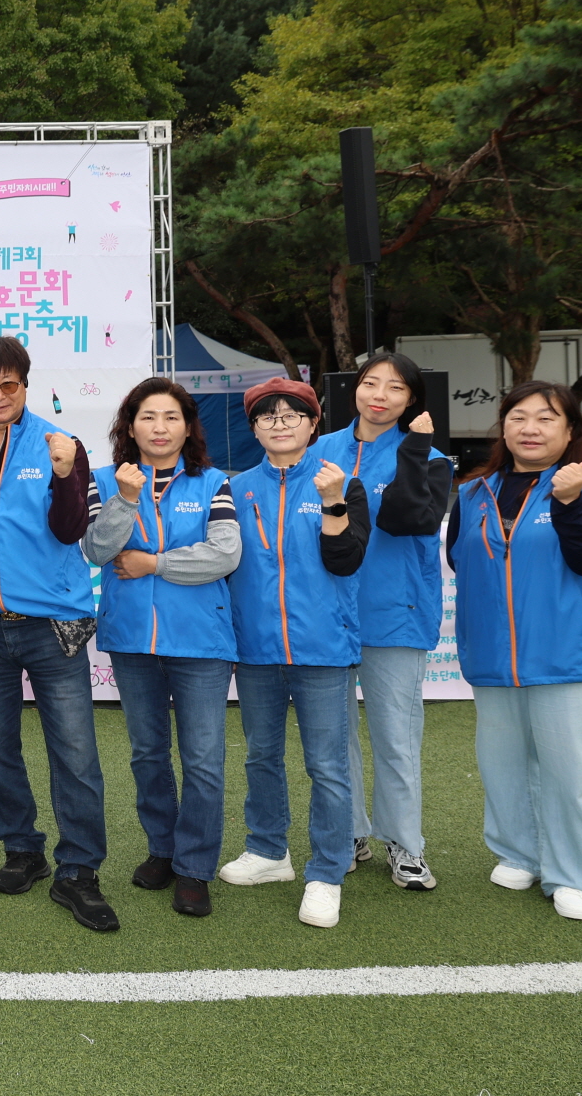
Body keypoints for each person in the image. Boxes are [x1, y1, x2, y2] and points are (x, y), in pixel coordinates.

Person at [0, 335, 115, 933]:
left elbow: (72, 532)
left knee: (75, 749)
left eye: (8, 385)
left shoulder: (60, 443)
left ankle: (79, 869)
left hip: (53, 621)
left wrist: (67, 472)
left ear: (25, 385)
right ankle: (23, 849)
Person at [448, 382, 582, 921]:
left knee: (573, 771)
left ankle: (574, 875)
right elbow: (466, 561)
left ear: (571, 430)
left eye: (546, 419)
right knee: (502, 763)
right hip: (494, 656)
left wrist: (568, 502)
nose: (530, 428)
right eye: (519, 417)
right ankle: (518, 852)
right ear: (502, 427)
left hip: (572, 654)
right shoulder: (473, 492)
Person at [82, 378, 240, 918]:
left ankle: (195, 867)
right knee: (148, 754)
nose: (160, 427)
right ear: (130, 425)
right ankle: (163, 850)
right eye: (148, 416)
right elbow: (97, 548)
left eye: (171, 417)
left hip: (202, 642)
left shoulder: (215, 482)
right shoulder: (104, 481)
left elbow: (224, 554)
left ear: (187, 426)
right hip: (131, 641)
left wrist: (155, 563)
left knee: (202, 760)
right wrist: (126, 501)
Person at [219, 376, 370, 929]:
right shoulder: (234, 488)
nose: (280, 422)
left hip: (323, 648)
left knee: (327, 766)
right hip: (255, 647)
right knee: (261, 755)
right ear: (254, 427)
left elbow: (347, 561)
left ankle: (327, 871)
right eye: (267, 415)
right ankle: (268, 851)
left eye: (292, 413)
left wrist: (333, 504)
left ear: (313, 423)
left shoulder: (343, 483)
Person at [312, 352, 453, 892]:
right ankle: (348, 833)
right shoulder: (320, 449)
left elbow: (408, 518)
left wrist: (414, 449)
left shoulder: (430, 457)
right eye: (371, 383)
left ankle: (406, 845)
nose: (380, 395)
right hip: (327, 614)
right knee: (333, 738)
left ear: (411, 399)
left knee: (396, 737)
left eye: (395, 388)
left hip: (395, 612)